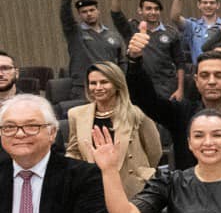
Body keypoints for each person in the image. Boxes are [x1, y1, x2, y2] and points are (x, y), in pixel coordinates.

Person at [128, 35, 221, 175]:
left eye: (219, 75)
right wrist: (135, 61)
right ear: (196, 81)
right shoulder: (180, 114)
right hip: (189, 198)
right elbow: (145, 99)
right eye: (205, 76)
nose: (211, 81)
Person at [64, 62, 161, 200]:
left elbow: (154, 151)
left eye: (104, 82)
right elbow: (74, 151)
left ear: (117, 84)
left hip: (133, 187)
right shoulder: (76, 114)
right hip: (94, 186)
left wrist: (140, 172)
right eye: (93, 83)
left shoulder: (136, 113)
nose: (98, 88)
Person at [58, 0, 125, 98]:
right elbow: (66, 16)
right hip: (84, 88)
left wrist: (121, 81)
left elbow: (122, 61)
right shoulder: (75, 32)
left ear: (98, 11)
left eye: (92, 10)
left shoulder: (112, 35)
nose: (89, 14)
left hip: (110, 86)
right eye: (84, 12)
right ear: (79, 15)